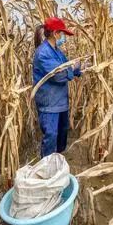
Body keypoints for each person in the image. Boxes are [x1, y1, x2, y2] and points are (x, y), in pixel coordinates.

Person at [32, 17, 82, 157]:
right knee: (51, 137)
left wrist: (79, 68)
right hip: (49, 103)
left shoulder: (57, 52)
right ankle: (47, 167)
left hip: (61, 102)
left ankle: (58, 161)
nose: (63, 37)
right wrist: (72, 69)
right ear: (55, 33)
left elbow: (68, 68)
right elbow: (58, 76)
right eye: (62, 33)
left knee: (62, 135)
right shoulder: (43, 53)